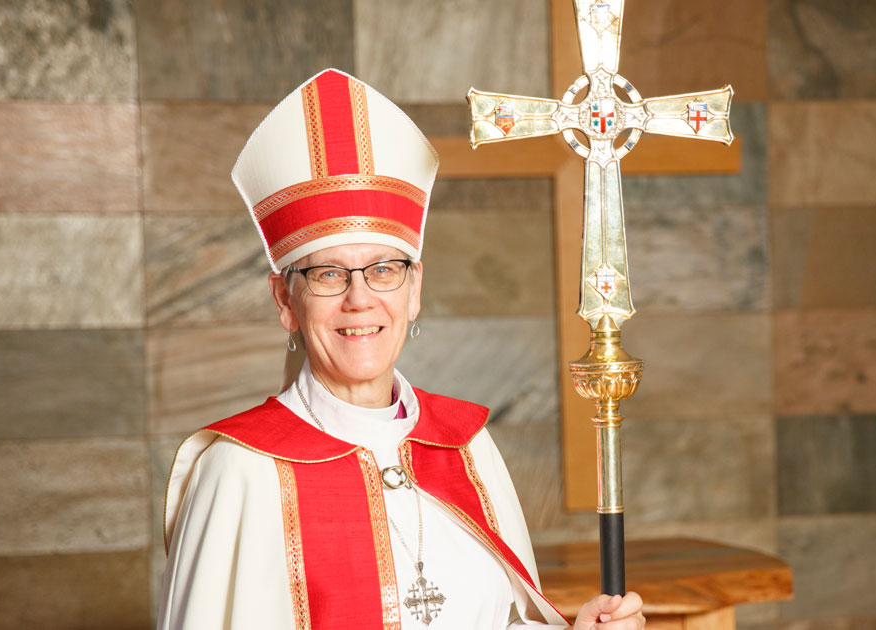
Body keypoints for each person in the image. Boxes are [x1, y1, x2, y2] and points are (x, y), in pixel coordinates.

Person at [157, 68, 645, 630]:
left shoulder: (465, 447)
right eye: (327, 274)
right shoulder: (239, 471)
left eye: (384, 270)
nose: (359, 299)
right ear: (285, 300)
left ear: (413, 290)